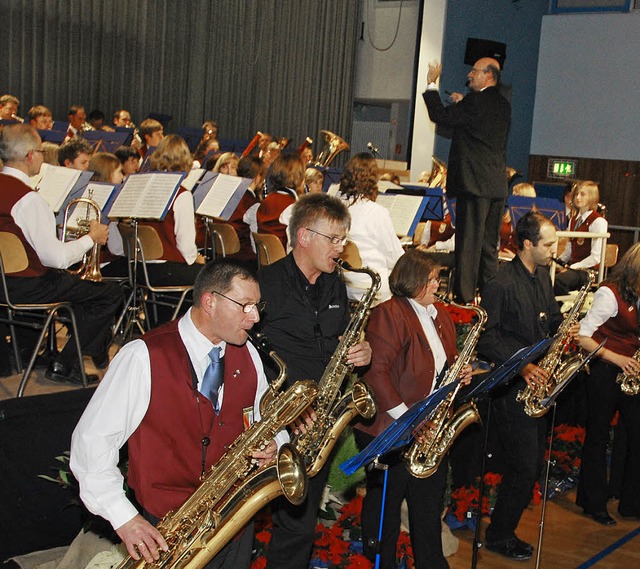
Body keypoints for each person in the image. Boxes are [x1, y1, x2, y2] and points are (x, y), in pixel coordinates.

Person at [70, 260, 281, 568]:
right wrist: (124, 518)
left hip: (235, 520)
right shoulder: (142, 356)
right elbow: (91, 442)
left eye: (257, 306)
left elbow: (265, 418)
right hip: (167, 527)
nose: (255, 317)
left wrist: (274, 441)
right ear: (209, 301)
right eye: (246, 306)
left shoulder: (247, 352)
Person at [258, 192, 372, 569]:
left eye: (344, 239)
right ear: (303, 236)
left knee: (302, 524)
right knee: (287, 523)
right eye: (334, 239)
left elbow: (341, 338)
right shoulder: (265, 286)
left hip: (320, 421)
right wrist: (287, 405)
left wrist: (362, 351)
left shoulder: (335, 283)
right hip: (281, 418)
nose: (341, 248)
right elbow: (249, 354)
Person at [354, 247, 472, 569]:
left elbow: (440, 367)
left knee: (427, 511)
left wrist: (460, 372)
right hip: (390, 432)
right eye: (431, 279)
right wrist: (410, 421)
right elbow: (375, 373)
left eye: (437, 278)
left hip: (428, 431)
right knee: (385, 515)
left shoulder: (440, 315)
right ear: (411, 280)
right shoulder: (389, 313)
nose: (437, 285)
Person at [0, 124, 122, 382]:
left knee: (78, 288)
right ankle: (67, 365)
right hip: (25, 286)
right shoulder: (28, 200)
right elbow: (54, 259)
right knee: (108, 293)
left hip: (5, 283)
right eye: (41, 152)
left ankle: (84, 353)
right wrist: (92, 238)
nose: (44, 158)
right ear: (30, 156)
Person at [476, 211, 565, 560]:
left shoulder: (542, 276)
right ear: (527, 244)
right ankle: (499, 534)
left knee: (528, 465)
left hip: (538, 384)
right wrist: (523, 364)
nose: (554, 249)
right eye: (548, 244)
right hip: (513, 385)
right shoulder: (500, 283)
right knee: (525, 467)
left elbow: (552, 317)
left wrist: (564, 330)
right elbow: (486, 338)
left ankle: (502, 530)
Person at [423, 58, 511, 303]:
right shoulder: (503, 105)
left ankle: (464, 303)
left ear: (488, 75)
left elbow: (439, 115)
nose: (470, 74)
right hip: (494, 185)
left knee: (467, 247)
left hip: (473, 184)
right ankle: (489, 300)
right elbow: (478, 123)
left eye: (474, 71)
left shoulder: (473, 103)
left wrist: (432, 84)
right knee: (487, 248)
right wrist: (464, 104)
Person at [576, 242, 640, 524]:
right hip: (605, 369)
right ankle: (594, 503)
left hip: (630, 371)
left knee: (635, 434)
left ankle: (630, 501)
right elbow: (583, 337)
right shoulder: (609, 293)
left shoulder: (636, 292)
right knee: (598, 436)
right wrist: (617, 358)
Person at [138, 134, 205, 289]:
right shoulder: (181, 194)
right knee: (213, 278)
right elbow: (185, 244)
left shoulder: (142, 187)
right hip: (165, 269)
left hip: (139, 268)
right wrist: (195, 259)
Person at [338, 152, 403, 304]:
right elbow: (396, 258)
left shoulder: (334, 206)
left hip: (341, 284)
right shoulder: (377, 212)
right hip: (371, 285)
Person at [555, 180, 607, 295]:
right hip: (574, 268)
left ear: (592, 197)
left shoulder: (598, 221)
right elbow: (569, 251)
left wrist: (572, 267)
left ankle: (562, 309)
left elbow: (595, 257)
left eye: (582, 194)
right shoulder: (573, 220)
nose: (578, 197)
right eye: (577, 194)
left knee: (559, 281)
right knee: (542, 273)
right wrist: (556, 263)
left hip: (588, 271)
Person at [257, 153, 305, 248]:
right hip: (284, 260)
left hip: (264, 261)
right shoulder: (293, 207)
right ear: (299, 177)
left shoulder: (266, 201)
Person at [499, 182, 537, 261]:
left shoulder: (533, 223)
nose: (513, 199)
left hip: (520, 262)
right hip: (500, 258)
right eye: (513, 195)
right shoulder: (505, 218)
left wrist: (514, 257)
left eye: (517, 195)